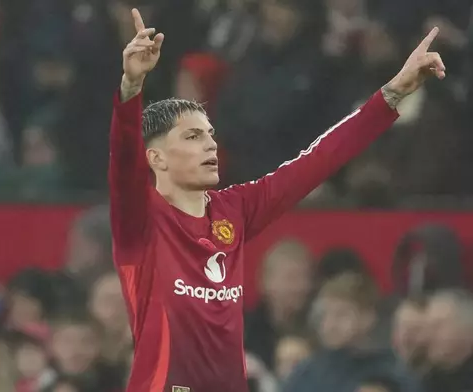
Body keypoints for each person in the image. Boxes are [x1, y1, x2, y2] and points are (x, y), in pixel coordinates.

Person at [110, 8, 445, 392]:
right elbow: (122, 166)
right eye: (191, 138)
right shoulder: (140, 219)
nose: (208, 145)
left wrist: (392, 94)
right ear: (156, 159)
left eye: (208, 134)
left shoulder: (233, 209)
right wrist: (131, 88)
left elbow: (318, 161)